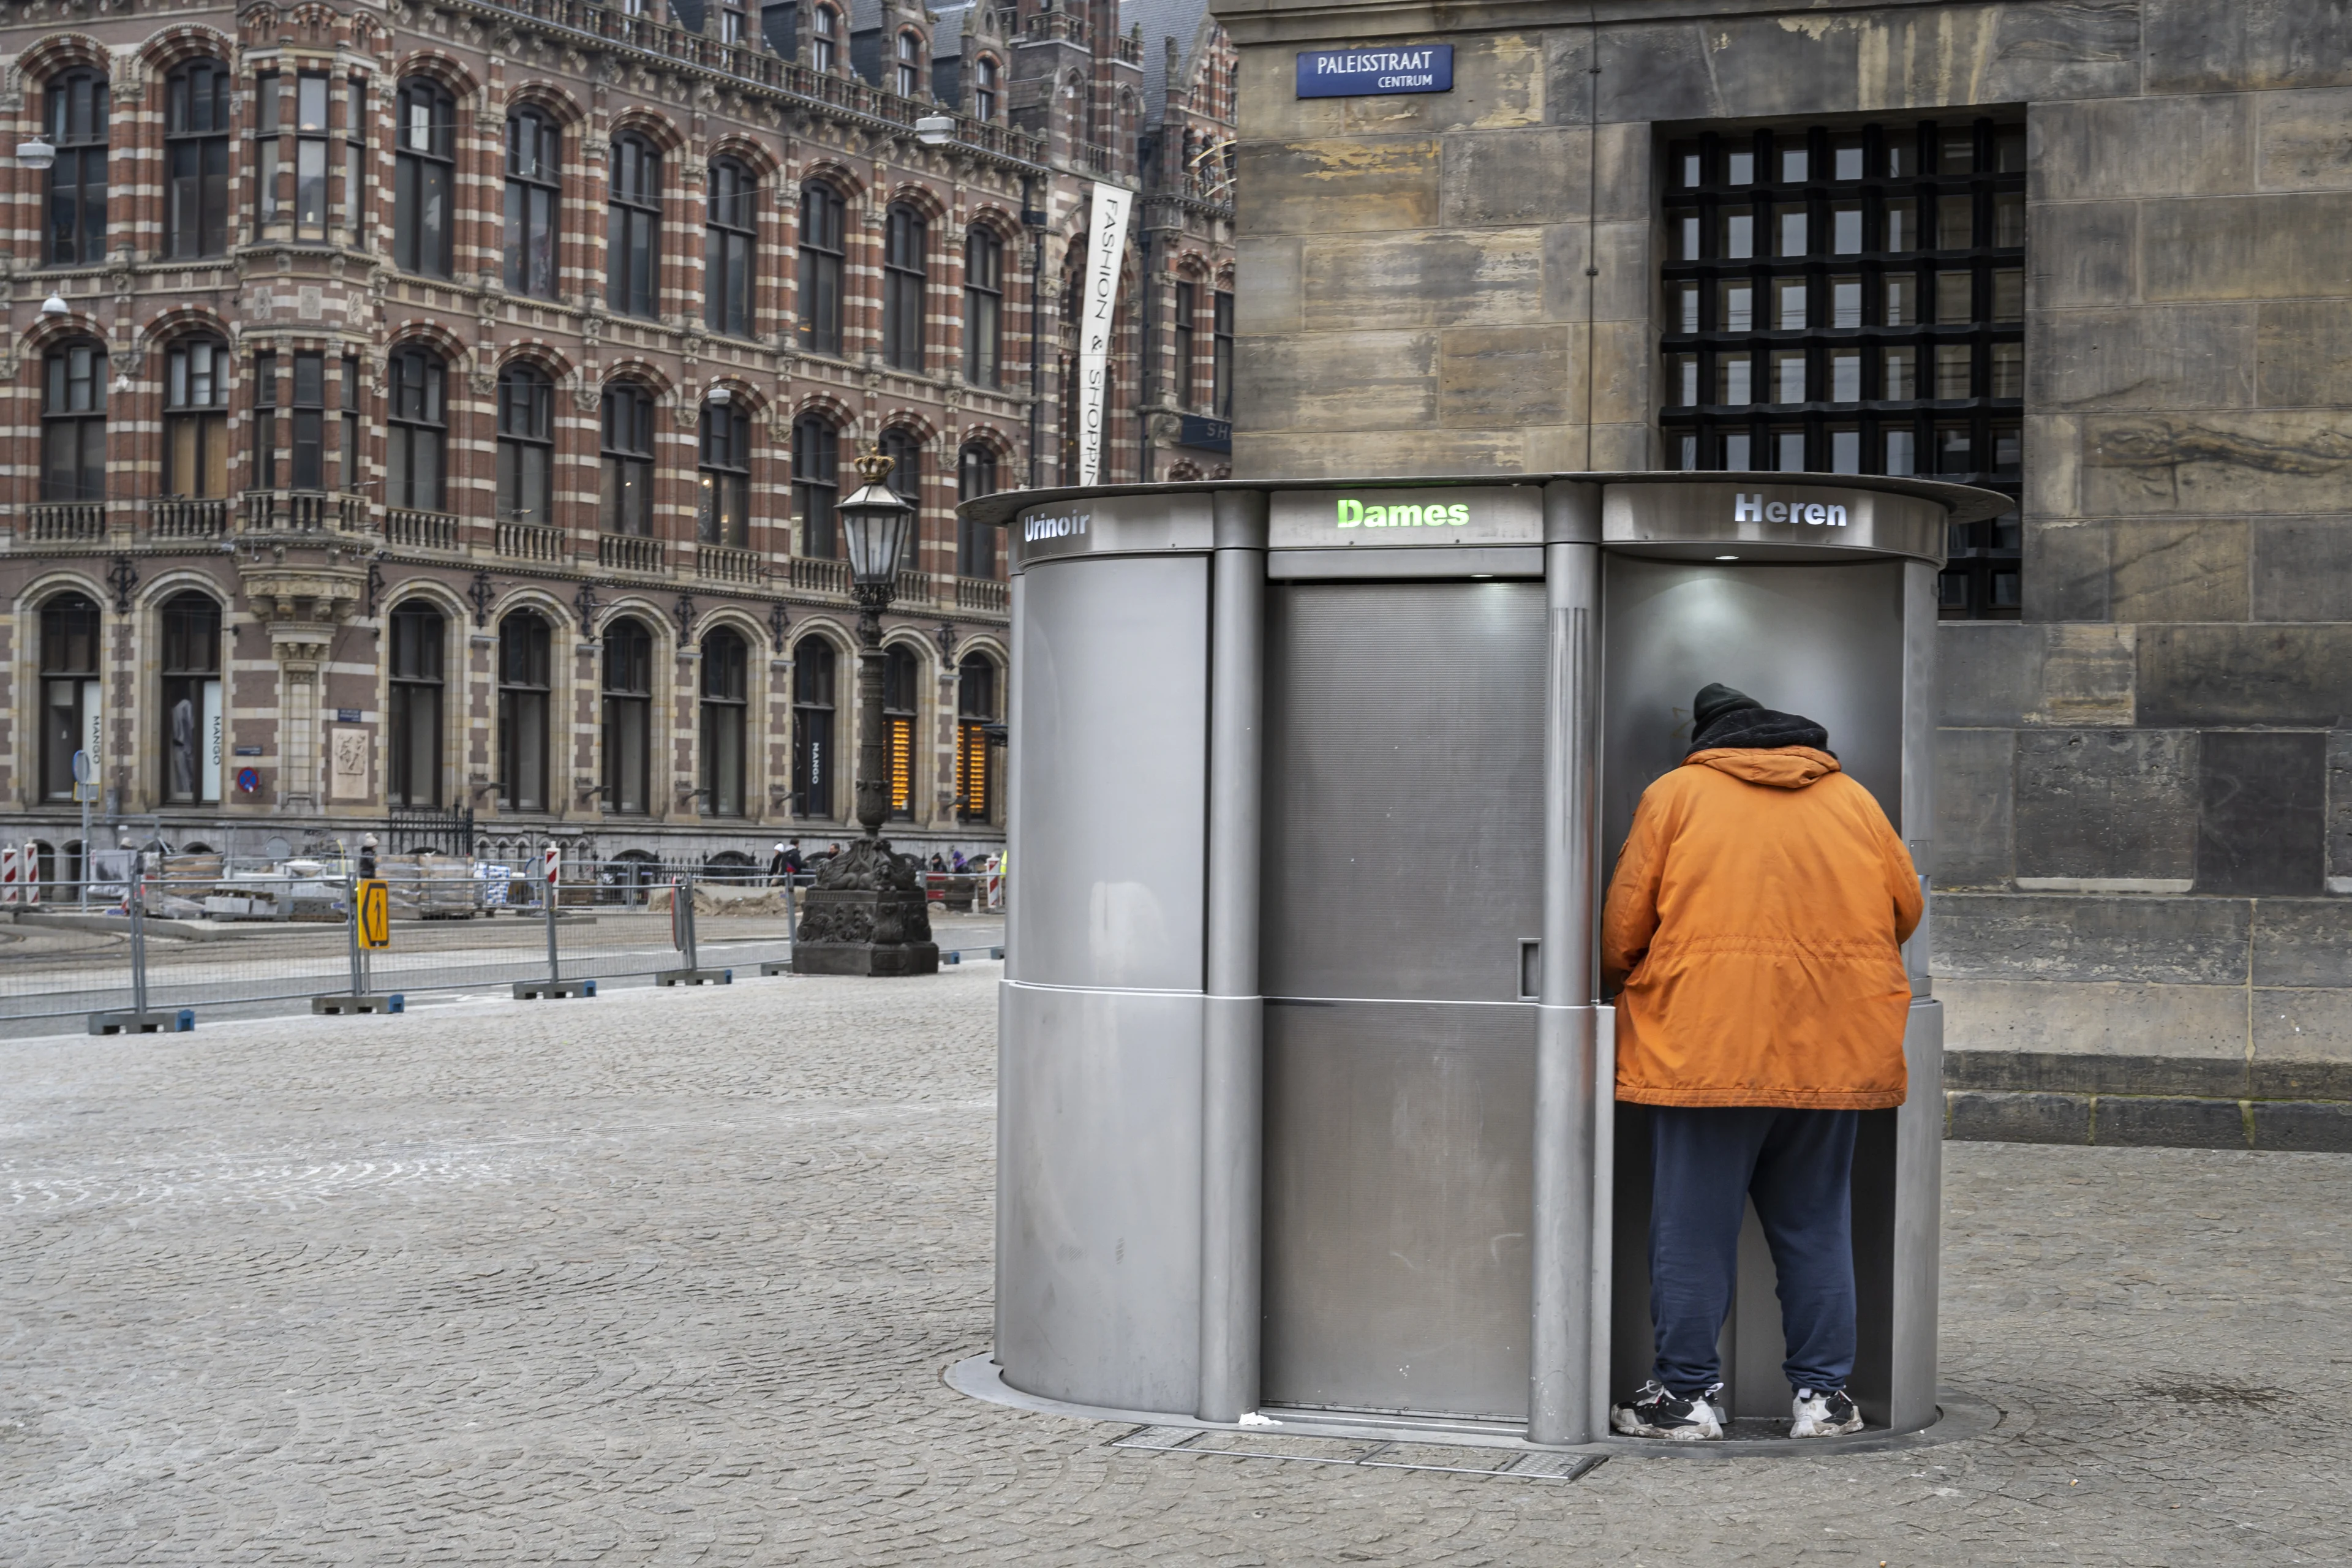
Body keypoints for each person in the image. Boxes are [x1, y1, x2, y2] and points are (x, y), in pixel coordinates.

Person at [1602, 682, 1921, 1442]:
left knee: (1693, 1231)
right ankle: (1825, 1397)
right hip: (1833, 1047)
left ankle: (1684, 1396)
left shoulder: (1676, 795)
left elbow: (1622, 928)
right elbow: (1906, 907)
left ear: (1710, 743)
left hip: (1706, 1045)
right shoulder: (1854, 800)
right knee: (1816, 1225)